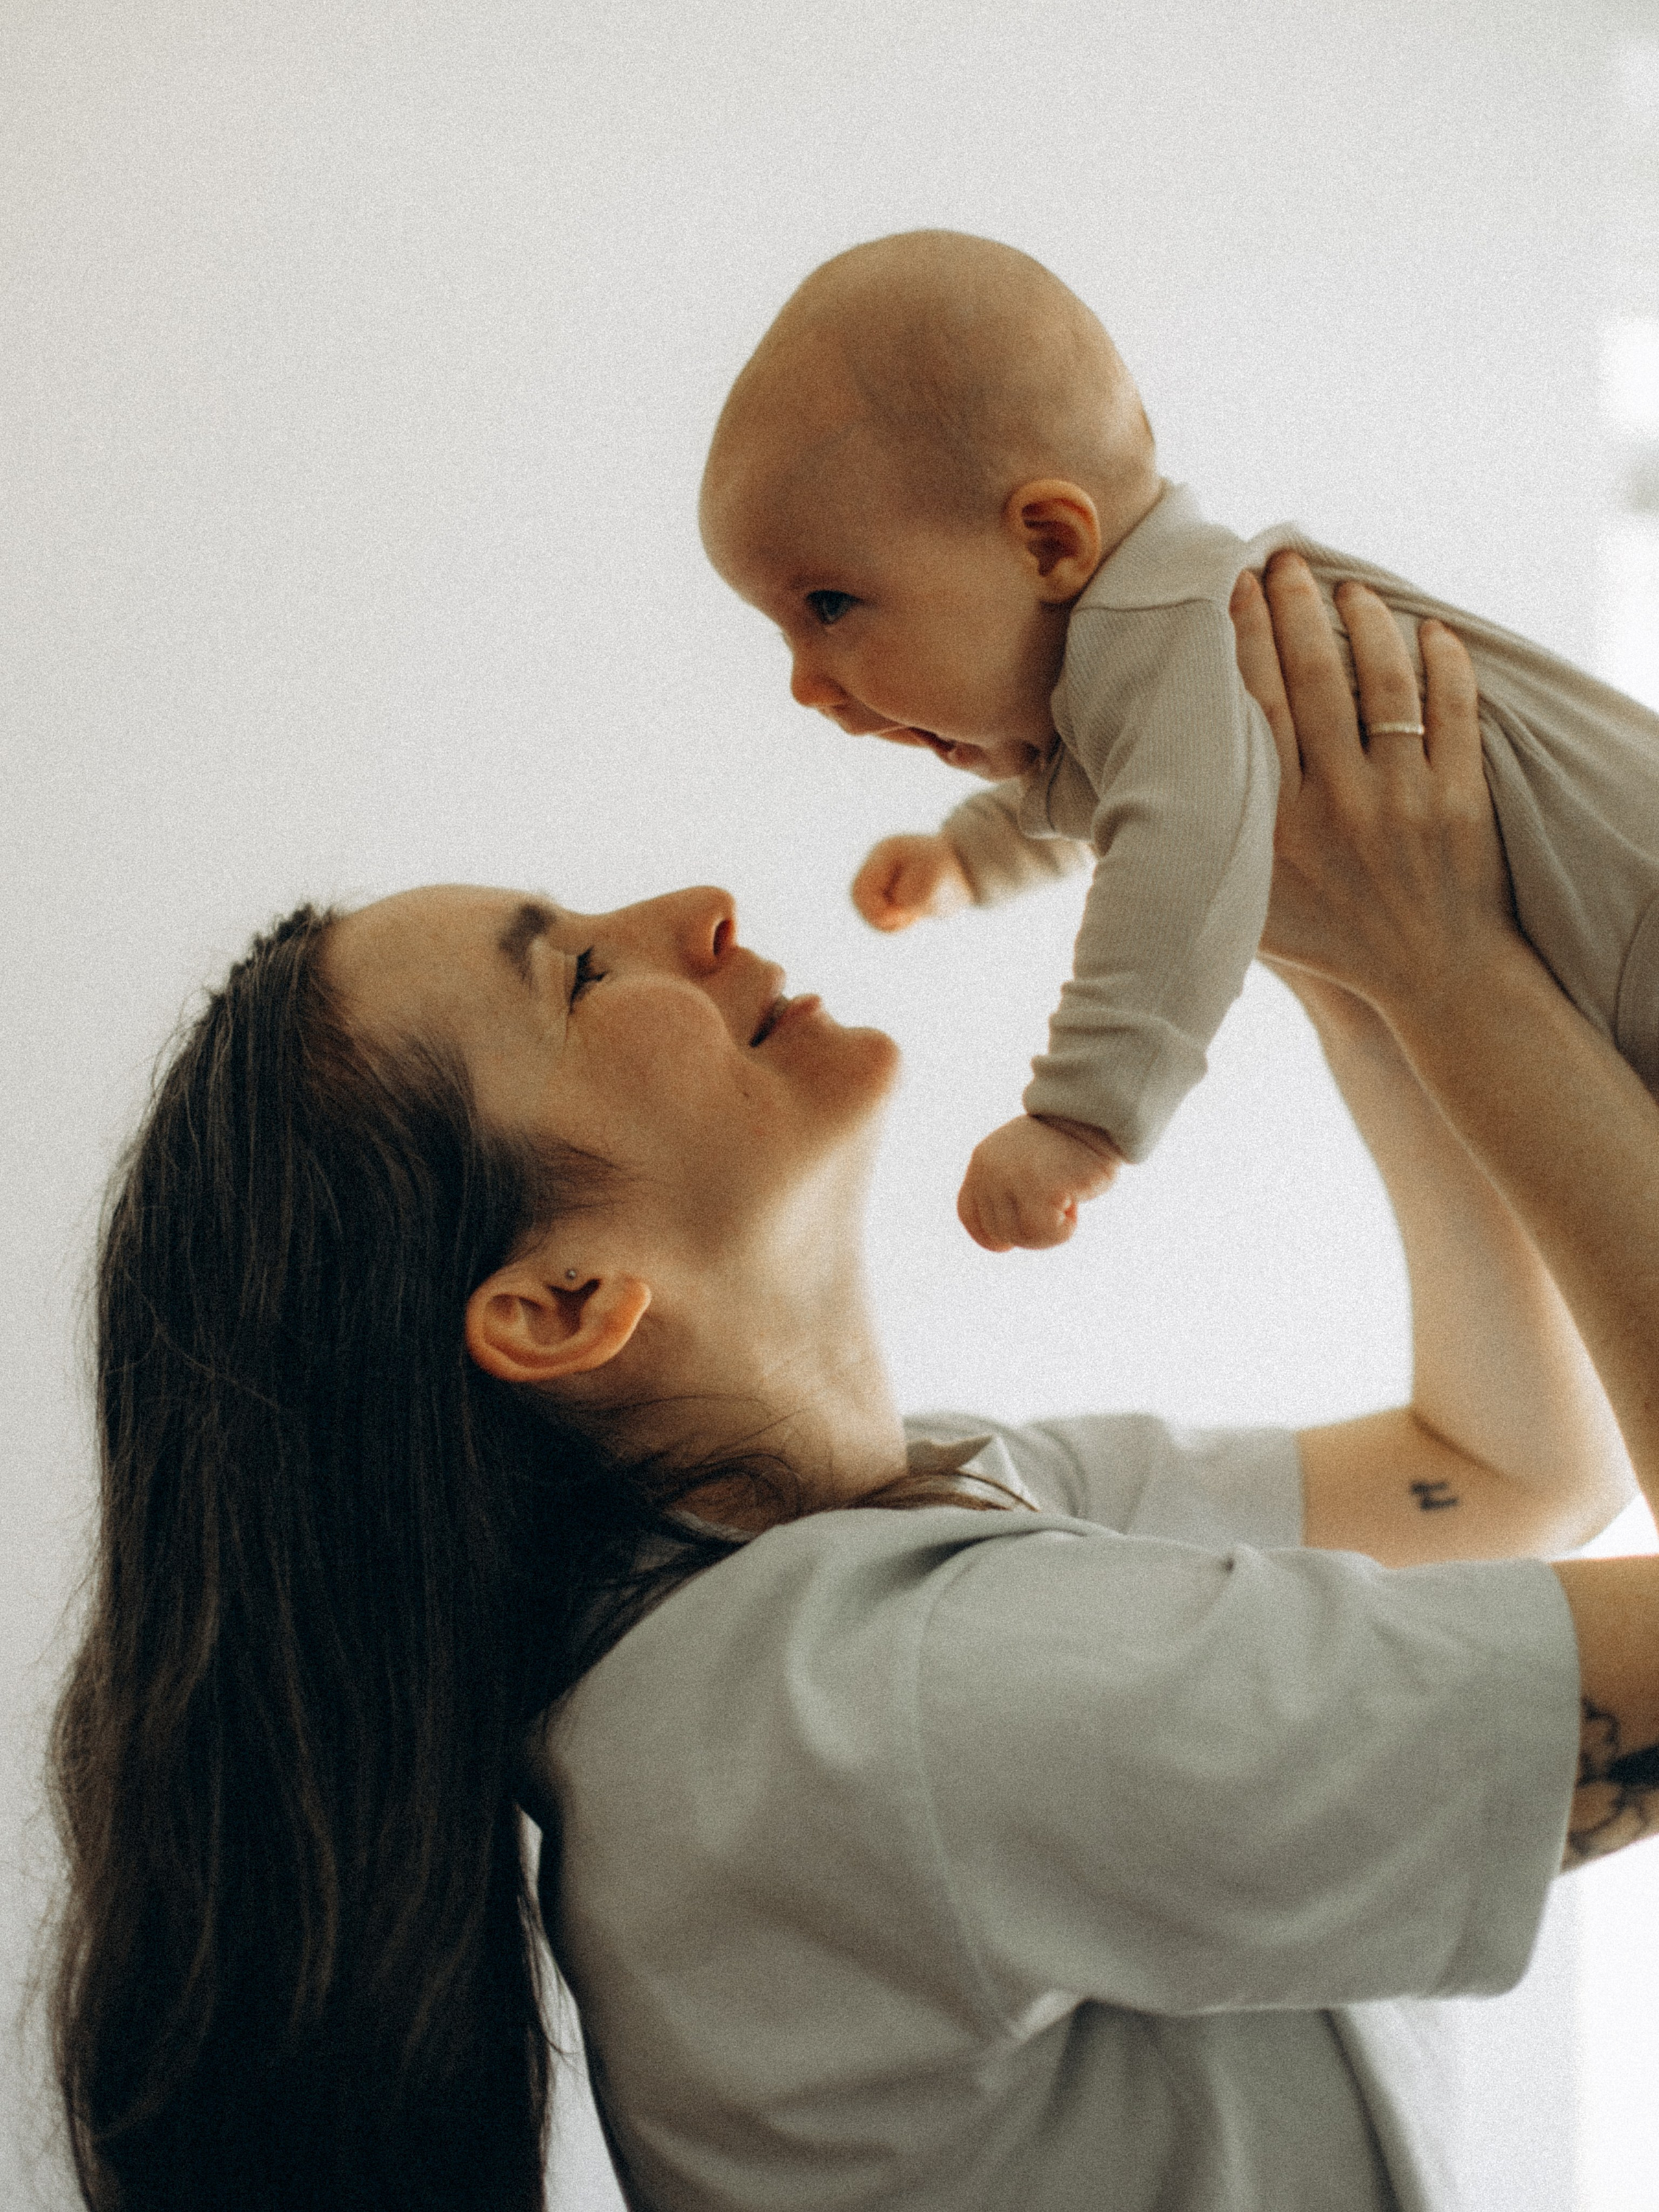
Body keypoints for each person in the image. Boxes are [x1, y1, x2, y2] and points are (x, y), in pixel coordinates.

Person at [47, 565, 1659, 2212]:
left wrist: (1341, 949)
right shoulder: (864, 1714)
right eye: (579, 978)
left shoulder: (887, 1541)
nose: (695, 910)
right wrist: (1455, 973)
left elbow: (1507, 1468)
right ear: (560, 1303)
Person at [699, 230, 1659, 1253]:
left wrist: (1079, 1117)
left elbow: (1179, 844)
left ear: (1048, 544)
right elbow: (1123, 781)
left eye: (828, 605)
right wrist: (973, 856)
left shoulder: (1167, 632)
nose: (805, 684)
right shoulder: (1160, 642)